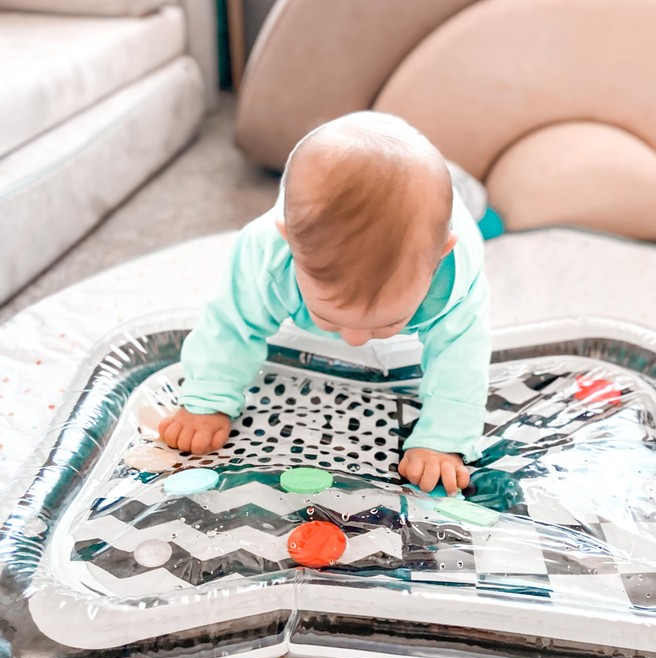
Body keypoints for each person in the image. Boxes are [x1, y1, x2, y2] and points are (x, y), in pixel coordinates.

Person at [158, 111, 490, 496]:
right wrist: (207, 400)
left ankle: (465, 187)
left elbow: (461, 356)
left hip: (451, 196)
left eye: (388, 324)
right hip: (327, 194)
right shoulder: (267, 255)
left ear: (440, 258)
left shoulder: (453, 278)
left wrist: (442, 441)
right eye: (327, 318)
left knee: (465, 195)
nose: (355, 340)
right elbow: (232, 323)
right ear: (289, 246)